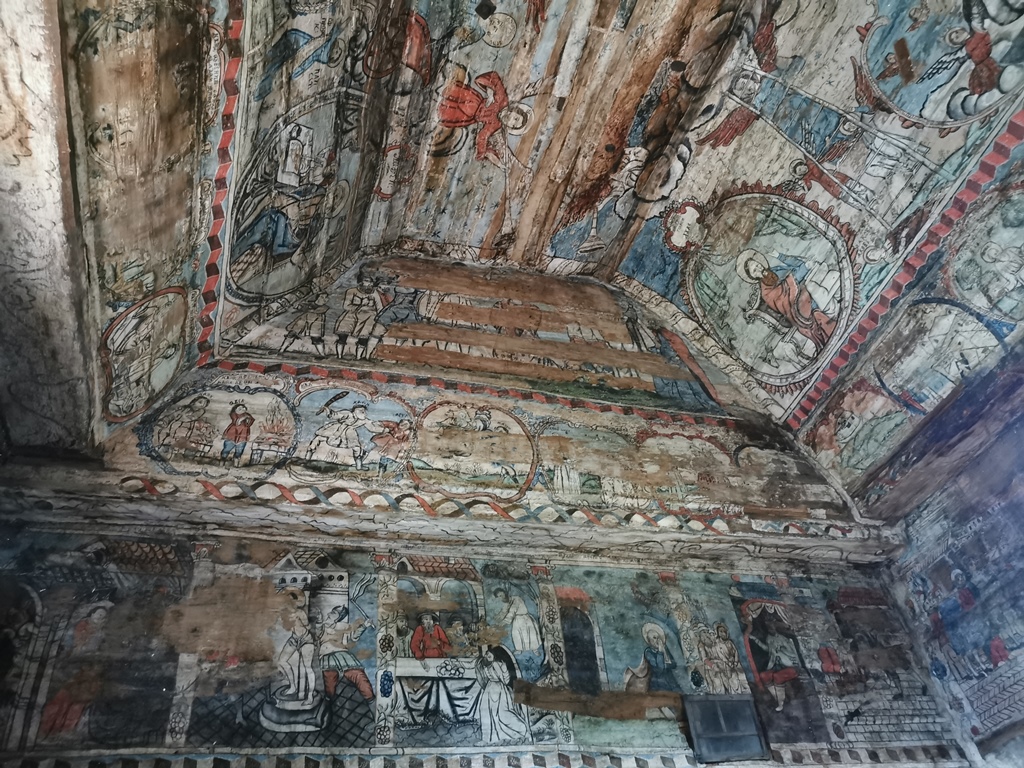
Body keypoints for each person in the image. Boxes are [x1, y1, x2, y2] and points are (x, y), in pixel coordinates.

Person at [476, 646, 530, 745]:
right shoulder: (487, 665)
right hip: (490, 689)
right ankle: (489, 738)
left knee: (501, 713)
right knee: (486, 712)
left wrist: (503, 670)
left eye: (489, 655)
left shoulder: (496, 664)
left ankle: (521, 730)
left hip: (498, 690)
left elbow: (504, 680)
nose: (487, 656)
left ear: (494, 655)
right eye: (486, 655)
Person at [749, 619, 801, 711]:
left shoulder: (783, 639)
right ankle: (777, 698)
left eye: (771, 627)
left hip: (789, 664)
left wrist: (781, 650)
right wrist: (756, 640)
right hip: (775, 664)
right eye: (768, 628)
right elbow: (767, 649)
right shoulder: (769, 638)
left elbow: (792, 653)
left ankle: (781, 702)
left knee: (777, 676)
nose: (770, 629)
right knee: (764, 676)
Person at [698, 622, 748, 694]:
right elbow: (704, 659)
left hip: (722, 666)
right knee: (718, 687)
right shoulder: (701, 645)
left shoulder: (714, 641)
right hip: (712, 669)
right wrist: (713, 666)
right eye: (704, 632)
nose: (706, 634)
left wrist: (731, 662)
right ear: (701, 634)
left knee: (729, 683)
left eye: (706, 631)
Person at [493, 588, 542, 652]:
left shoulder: (516, 599)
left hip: (525, 618)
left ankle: (534, 649)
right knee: (516, 634)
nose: (502, 598)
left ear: (505, 593)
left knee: (530, 634)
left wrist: (504, 622)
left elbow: (512, 611)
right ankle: (519, 649)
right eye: (499, 597)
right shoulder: (507, 603)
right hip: (517, 620)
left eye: (502, 595)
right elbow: (503, 612)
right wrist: (496, 618)